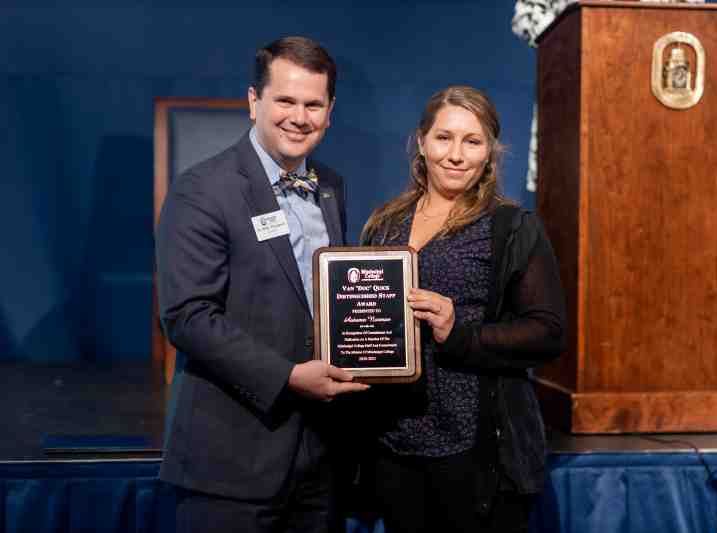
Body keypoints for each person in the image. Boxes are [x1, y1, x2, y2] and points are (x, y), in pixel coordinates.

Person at [156, 36, 369, 533]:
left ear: (330, 111)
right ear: (254, 102)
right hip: (230, 464)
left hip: (319, 460)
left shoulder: (332, 186)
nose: (300, 116)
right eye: (286, 101)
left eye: (313, 104)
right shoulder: (202, 189)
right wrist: (289, 377)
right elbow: (187, 317)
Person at [359, 86, 566, 533]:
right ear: (421, 142)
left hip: (475, 451)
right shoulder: (384, 222)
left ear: (490, 151)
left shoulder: (511, 226)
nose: (456, 155)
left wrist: (460, 332)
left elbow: (548, 332)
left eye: (472, 141)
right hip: (394, 442)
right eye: (443, 138)